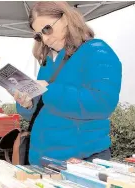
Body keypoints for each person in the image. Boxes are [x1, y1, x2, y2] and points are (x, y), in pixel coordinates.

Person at [15, 1, 122, 165]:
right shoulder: (49, 60)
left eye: (47, 29)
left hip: (80, 159)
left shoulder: (97, 51)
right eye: (39, 35)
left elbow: (103, 103)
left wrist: (49, 90)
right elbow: (41, 110)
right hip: (44, 158)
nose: (45, 38)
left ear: (66, 18)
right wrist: (28, 103)